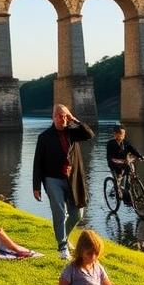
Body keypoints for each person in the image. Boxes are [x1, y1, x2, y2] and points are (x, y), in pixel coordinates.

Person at [32, 103, 94, 259]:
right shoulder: (44, 137)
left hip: (72, 179)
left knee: (78, 214)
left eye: (66, 116)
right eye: (60, 116)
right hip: (52, 179)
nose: (63, 119)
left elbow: (89, 134)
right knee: (59, 211)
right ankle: (62, 247)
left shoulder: (73, 133)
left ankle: (64, 237)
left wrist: (75, 120)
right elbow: (37, 162)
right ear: (53, 117)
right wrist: (36, 186)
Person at [106, 125, 144, 205]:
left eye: (123, 133)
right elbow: (110, 158)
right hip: (114, 165)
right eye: (119, 133)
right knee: (117, 180)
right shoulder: (110, 143)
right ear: (115, 134)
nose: (122, 135)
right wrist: (119, 161)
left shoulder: (126, 142)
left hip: (125, 163)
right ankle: (118, 193)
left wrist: (140, 156)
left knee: (131, 175)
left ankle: (130, 191)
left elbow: (133, 150)